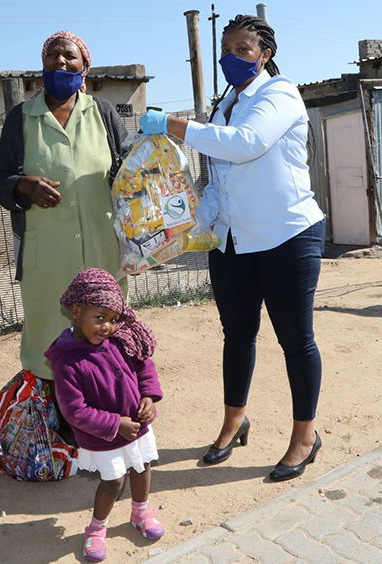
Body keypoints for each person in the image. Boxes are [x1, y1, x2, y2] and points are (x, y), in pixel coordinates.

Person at [140, 14, 325, 482]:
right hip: (233, 240)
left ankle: (305, 434)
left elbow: (246, 145)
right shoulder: (224, 107)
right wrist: (179, 232)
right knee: (237, 336)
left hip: (287, 236)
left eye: (243, 49)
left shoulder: (279, 94)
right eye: (227, 49)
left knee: (295, 340)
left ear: (264, 55)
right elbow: (219, 181)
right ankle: (233, 422)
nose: (232, 57)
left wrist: (176, 124)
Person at [0, 30, 128, 385]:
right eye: (53, 55)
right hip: (46, 252)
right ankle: (50, 416)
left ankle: (103, 410)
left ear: (85, 68)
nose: (61, 61)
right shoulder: (22, 118)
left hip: (103, 250)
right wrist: (23, 184)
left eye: (70, 56)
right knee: (48, 334)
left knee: (106, 330)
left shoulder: (104, 113)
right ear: (43, 64)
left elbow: (128, 172)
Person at [45, 268, 164, 562]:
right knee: (112, 481)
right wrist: (115, 424)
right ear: (76, 311)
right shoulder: (67, 360)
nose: (107, 327)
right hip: (104, 434)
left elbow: (143, 366)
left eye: (112, 319)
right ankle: (96, 529)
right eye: (99, 318)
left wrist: (148, 396)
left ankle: (140, 511)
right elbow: (74, 410)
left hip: (136, 425)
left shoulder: (122, 340)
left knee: (141, 466)